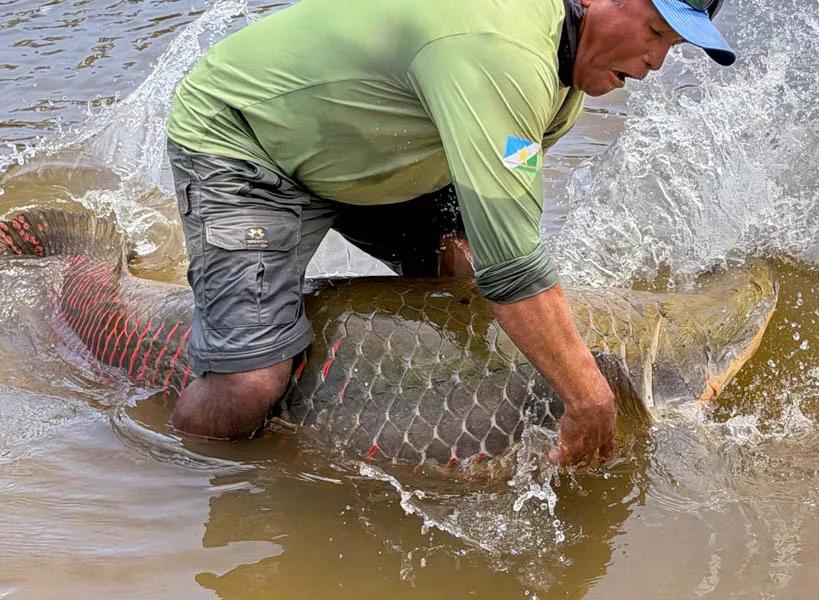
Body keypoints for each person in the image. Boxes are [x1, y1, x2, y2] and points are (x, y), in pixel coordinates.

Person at [165, 0, 735, 464]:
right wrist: (589, 397)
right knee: (250, 384)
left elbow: (498, 230)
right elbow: (514, 268)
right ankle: (169, 482)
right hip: (245, 138)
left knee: (458, 272)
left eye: (672, 45)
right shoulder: (503, 50)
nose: (656, 61)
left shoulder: (568, 77)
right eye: (654, 31)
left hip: (364, 139)